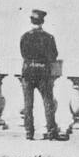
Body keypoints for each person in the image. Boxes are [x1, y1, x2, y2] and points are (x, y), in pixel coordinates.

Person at [20, 8, 64, 141]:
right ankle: (51, 131)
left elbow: (23, 54)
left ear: (31, 21)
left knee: (28, 104)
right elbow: (54, 55)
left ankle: (29, 132)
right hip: (43, 73)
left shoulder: (25, 36)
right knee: (48, 102)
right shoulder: (49, 37)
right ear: (42, 21)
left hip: (28, 72)